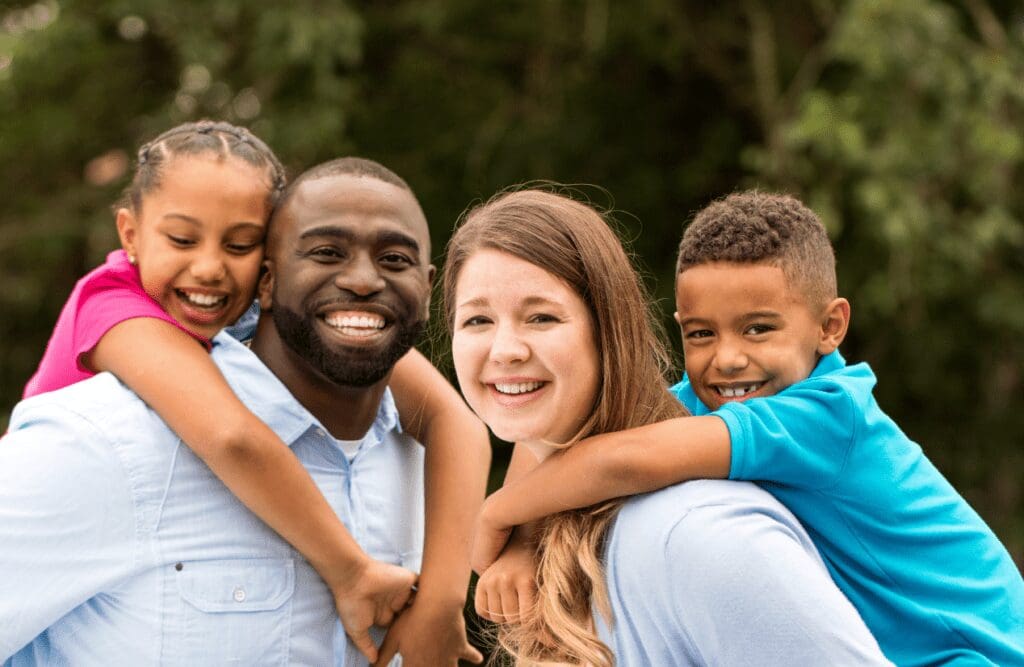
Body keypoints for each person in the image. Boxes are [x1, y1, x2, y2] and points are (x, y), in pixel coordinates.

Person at [472, 191, 1024, 665]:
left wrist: (499, 512)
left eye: (757, 329)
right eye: (701, 334)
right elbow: (566, 443)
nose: (727, 359)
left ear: (830, 327)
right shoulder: (706, 403)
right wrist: (522, 543)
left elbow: (625, 460)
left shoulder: (828, 414)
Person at [18, 122, 486, 663]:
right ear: (130, 235)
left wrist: (441, 601)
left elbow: (456, 422)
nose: (211, 267)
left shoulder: (259, 324)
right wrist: (350, 570)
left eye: (239, 244)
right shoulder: (117, 316)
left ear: (265, 266)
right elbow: (231, 435)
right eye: (182, 239)